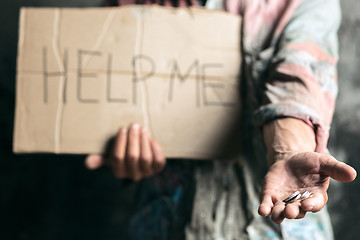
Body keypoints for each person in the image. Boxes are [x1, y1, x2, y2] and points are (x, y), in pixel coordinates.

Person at [86, 0, 357, 239]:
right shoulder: (125, 7)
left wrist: (288, 150)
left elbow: (297, 79)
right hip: (163, 221)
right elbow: (114, 103)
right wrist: (125, 155)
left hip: (269, 227)